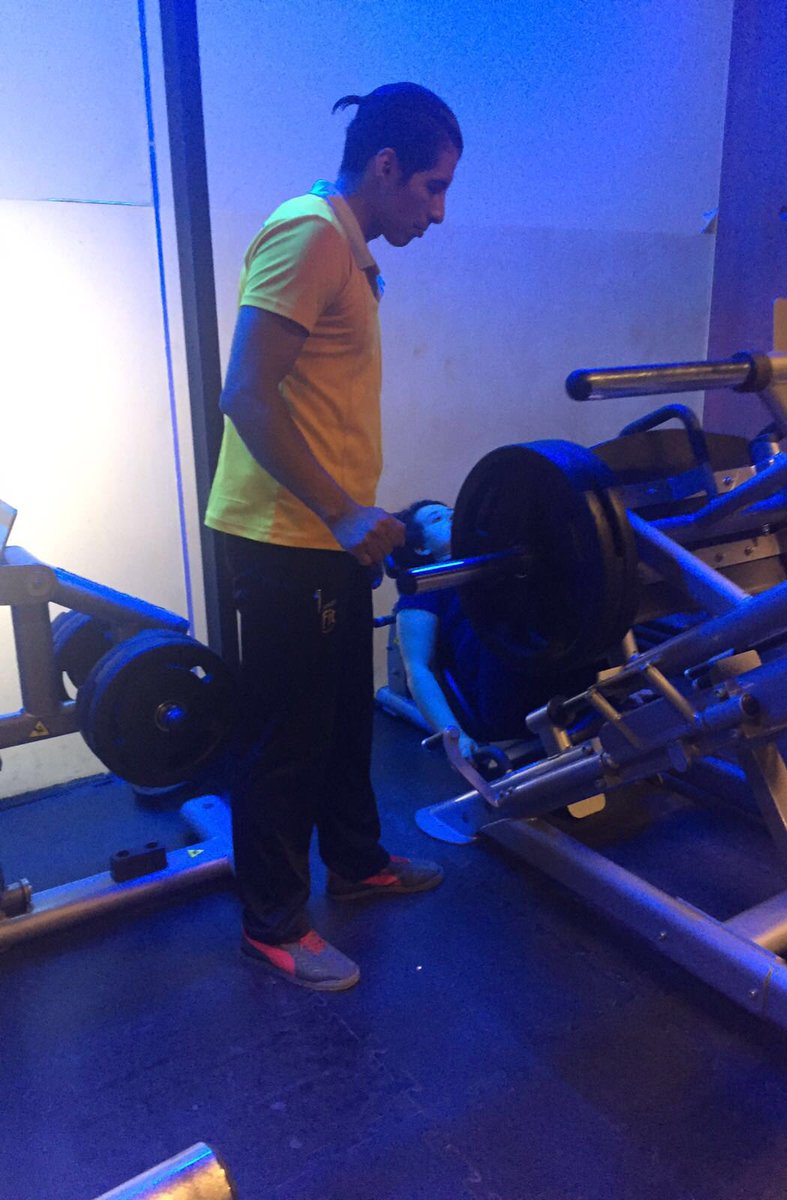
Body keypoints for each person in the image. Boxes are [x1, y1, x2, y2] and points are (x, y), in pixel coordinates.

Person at [205, 84, 463, 992]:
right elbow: (245, 394)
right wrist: (341, 511)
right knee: (289, 736)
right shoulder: (310, 235)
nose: (438, 212)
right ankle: (273, 923)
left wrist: (357, 516)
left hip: (330, 536)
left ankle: (356, 861)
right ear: (385, 166)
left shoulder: (349, 248)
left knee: (345, 714)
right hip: (286, 537)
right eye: (431, 188)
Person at [392, 500, 586, 761]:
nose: (453, 518)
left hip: (559, 664)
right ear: (421, 548)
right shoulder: (423, 587)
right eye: (437, 519)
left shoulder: (509, 562)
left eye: (453, 513)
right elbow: (417, 669)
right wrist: (455, 739)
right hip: (505, 695)